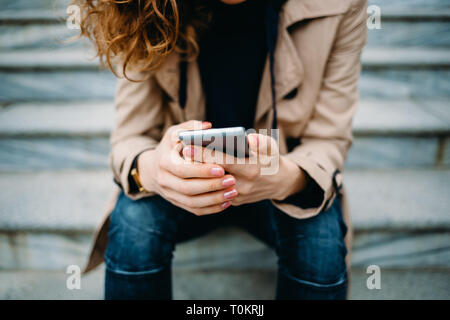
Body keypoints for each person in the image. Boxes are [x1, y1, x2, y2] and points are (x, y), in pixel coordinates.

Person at [76, 0, 368, 299]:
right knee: (134, 225)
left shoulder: (340, 5)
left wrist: (285, 179)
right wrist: (155, 171)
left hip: (278, 176)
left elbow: (328, 139)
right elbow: (131, 137)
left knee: (320, 243)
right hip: (185, 178)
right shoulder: (144, 6)